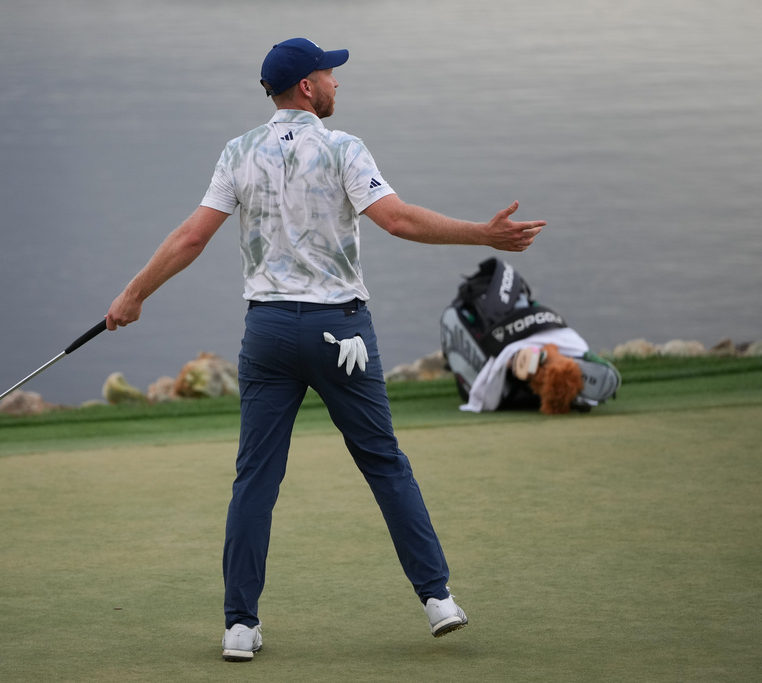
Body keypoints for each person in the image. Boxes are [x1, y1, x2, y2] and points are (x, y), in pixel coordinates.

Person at [105, 37, 545, 661]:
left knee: (255, 478)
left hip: (268, 335)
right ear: (308, 87)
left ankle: (239, 626)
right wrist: (484, 234)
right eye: (329, 73)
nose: (338, 81)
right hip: (342, 333)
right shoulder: (344, 148)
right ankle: (438, 600)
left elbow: (190, 239)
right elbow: (398, 220)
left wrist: (134, 294)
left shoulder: (237, 152)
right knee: (384, 463)